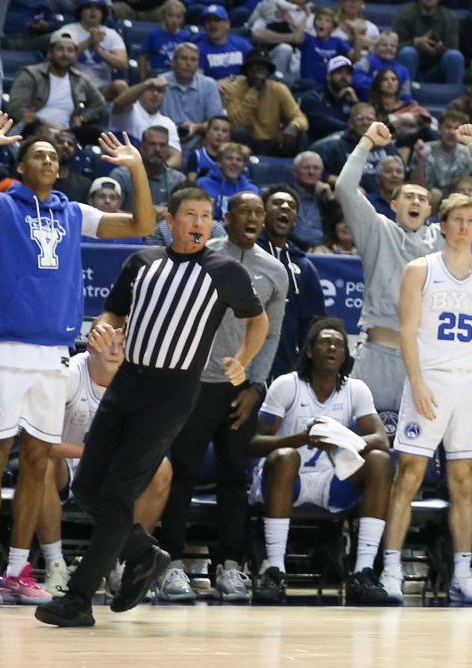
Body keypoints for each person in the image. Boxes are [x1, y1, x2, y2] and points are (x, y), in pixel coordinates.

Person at [35, 186, 268, 627]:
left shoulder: (225, 270)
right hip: (125, 384)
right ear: (170, 220)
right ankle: (143, 553)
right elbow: (112, 315)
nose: (200, 223)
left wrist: (244, 360)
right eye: (191, 215)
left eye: (206, 215)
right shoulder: (141, 262)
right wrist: (102, 333)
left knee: (120, 491)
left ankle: (79, 598)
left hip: (173, 392)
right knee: (87, 487)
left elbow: (258, 319)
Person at [0, 114, 155, 605]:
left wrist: (137, 169)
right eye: (38, 154)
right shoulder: (0, 206)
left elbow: (143, 225)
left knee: (38, 464)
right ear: (20, 166)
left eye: (54, 157)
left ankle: (19, 570)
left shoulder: (73, 212)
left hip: (53, 354)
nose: (48, 160)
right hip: (4, 350)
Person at [371, 192, 472, 605]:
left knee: (463, 482)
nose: (465, 227)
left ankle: (463, 574)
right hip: (429, 381)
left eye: (471, 220)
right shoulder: (420, 269)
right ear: (444, 225)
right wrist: (415, 381)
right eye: (458, 220)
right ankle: (391, 568)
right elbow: (407, 332)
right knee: (409, 476)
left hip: (471, 384)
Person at [153, 189, 290, 604]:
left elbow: (272, 335)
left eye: (258, 213)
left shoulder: (275, 271)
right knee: (182, 473)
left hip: (239, 390)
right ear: (226, 217)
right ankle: (172, 564)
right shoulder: (199, 253)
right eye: (243, 211)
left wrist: (256, 385)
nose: (252, 218)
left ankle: (229, 567)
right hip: (192, 383)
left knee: (235, 477)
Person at [248, 317, 394, 605]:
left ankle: (363, 571)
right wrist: (300, 438)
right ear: (310, 351)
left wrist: (343, 441)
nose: (332, 348)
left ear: (344, 355)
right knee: (286, 457)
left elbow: (381, 439)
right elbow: (254, 443)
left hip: (332, 480)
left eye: (339, 344)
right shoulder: (286, 385)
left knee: (379, 460)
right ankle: (274, 568)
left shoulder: (356, 389)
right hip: (287, 480)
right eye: (325, 342)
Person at [339, 119, 467, 429]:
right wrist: (368, 140)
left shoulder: (441, 238)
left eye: (423, 199)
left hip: (421, 361)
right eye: (409, 197)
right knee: (353, 445)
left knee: (414, 457)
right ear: (393, 204)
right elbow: (344, 187)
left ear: (429, 210)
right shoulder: (377, 230)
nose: (417, 202)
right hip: (375, 356)